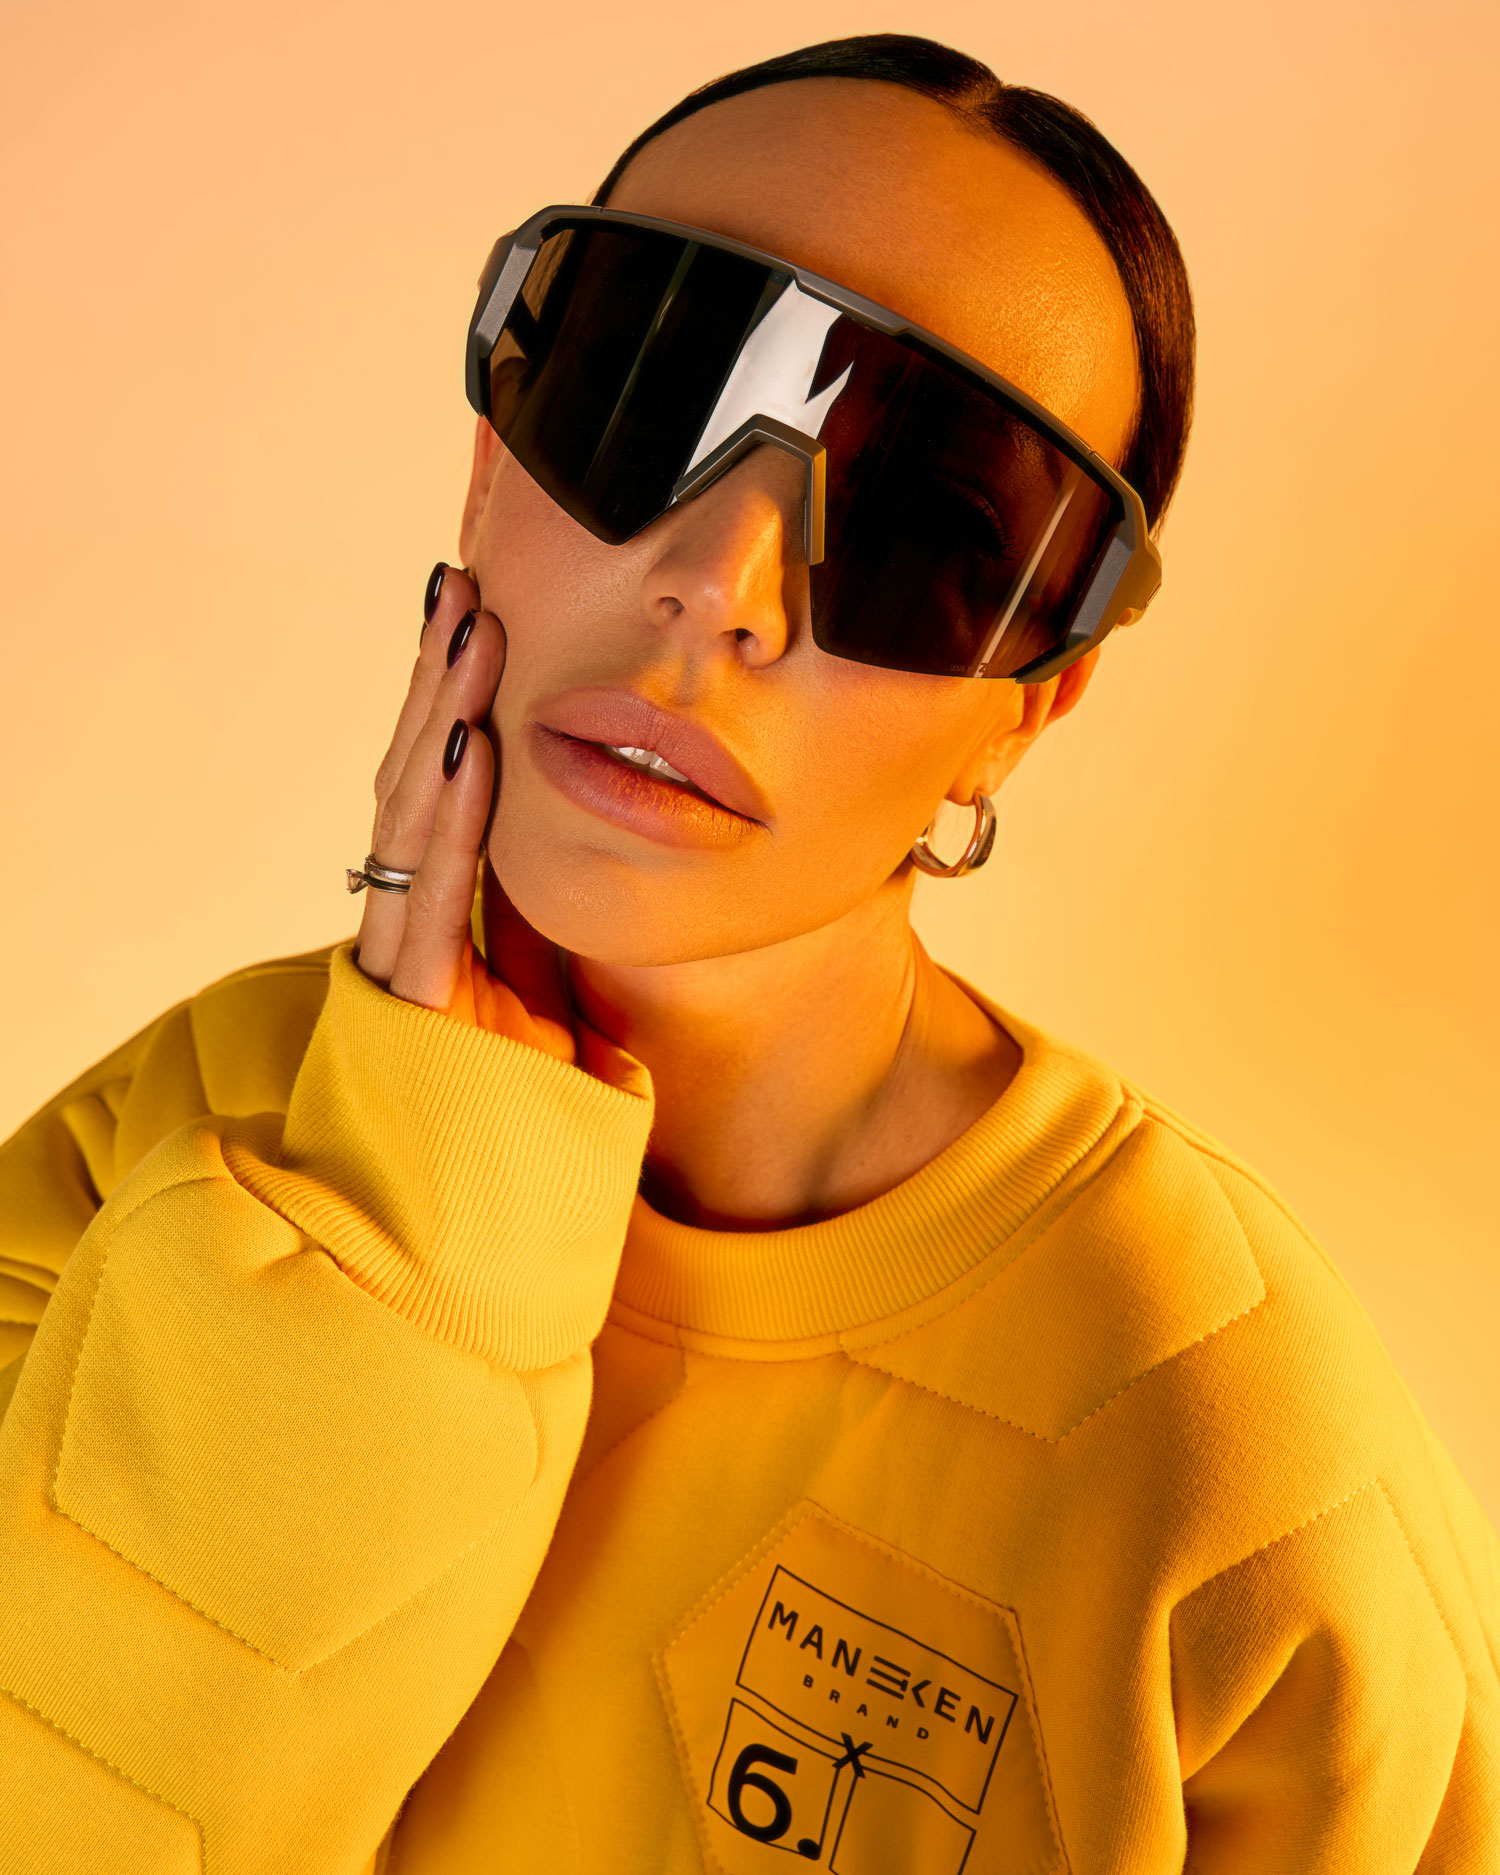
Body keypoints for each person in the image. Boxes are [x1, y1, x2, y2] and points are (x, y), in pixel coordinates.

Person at [0, 30, 1494, 1875]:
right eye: (652, 383)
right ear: (488, 477)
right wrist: (406, 1253)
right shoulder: (192, 1137)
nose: (722, 583)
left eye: (930, 524)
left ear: (1031, 708)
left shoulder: (1226, 1450)